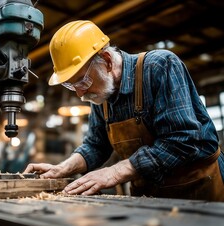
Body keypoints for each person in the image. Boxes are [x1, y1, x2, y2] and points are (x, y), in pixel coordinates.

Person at [24, 20, 224, 201]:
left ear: (107, 61)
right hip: (148, 195)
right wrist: (62, 168)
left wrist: (116, 171)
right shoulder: (100, 93)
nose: (79, 93)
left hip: (197, 187)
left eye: (82, 80)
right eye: (70, 85)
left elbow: (183, 140)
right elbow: (96, 145)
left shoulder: (159, 66)